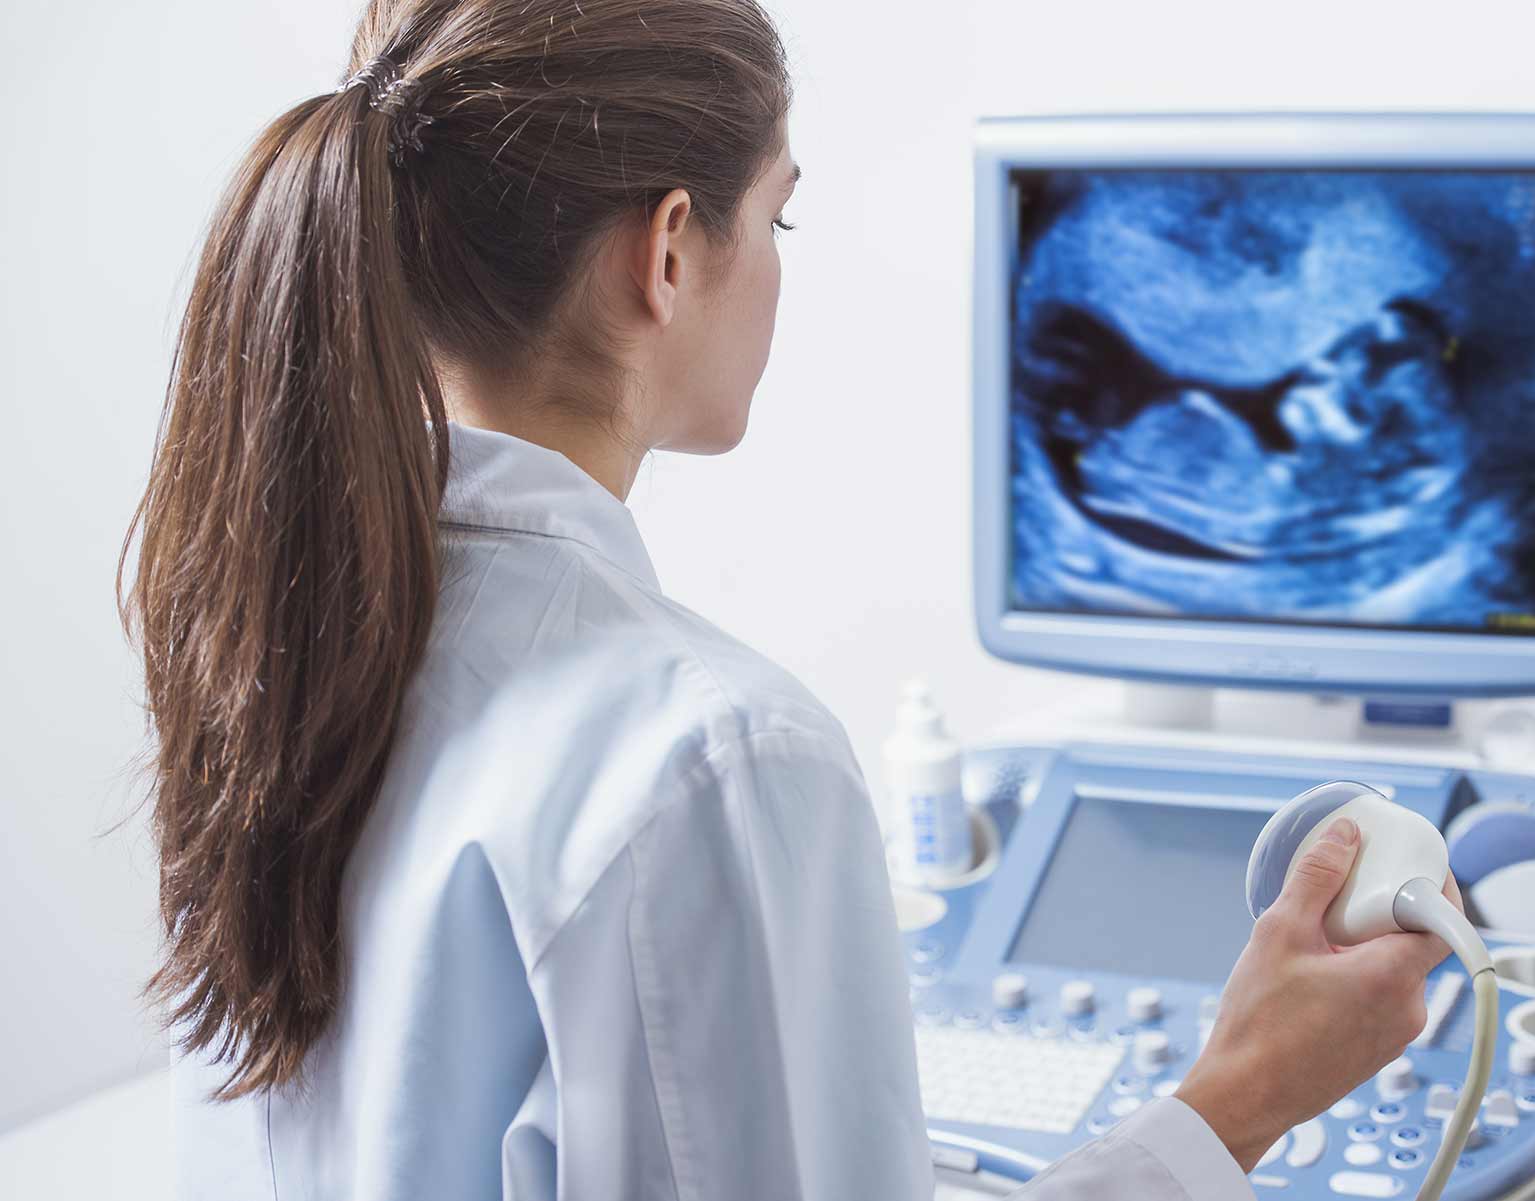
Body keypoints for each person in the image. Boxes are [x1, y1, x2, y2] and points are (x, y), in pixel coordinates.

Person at [122, 2, 1457, 1197]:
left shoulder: (262, 651)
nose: (777, 264)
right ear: (666, 254)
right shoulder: (709, 761)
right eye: (777, 216)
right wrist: (1241, 1099)